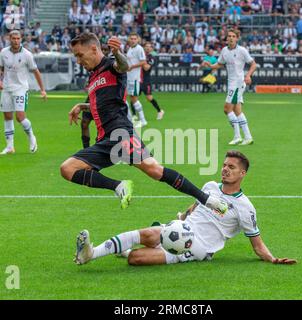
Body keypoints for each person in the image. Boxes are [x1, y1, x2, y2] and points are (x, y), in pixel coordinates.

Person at [60, 32, 226, 215]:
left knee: (154, 170)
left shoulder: (110, 65)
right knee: (69, 169)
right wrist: (82, 106)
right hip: (105, 140)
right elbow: (102, 103)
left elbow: (123, 66)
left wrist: (117, 52)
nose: (78, 61)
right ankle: (120, 186)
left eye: (79, 55)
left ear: (93, 49)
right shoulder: (92, 77)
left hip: (119, 133)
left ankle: (207, 200)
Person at [74, 150, 297, 267]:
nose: (225, 169)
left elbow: (257, 245)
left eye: (232, 167)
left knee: (136, 259)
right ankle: (90, 254)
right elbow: (194, 207)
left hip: (198, 248)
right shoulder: (210, 186)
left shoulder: (245, 208)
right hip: (182, 228)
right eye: (224, 165)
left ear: (242, 174)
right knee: (150, 234)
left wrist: (273, 259)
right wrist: (180, 217)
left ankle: (126, 252)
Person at [204, 29, 256, 146]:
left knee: (227, 109)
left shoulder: (242, 50)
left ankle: (237, 136)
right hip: (231, 83)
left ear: (237, 38)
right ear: (226, 38)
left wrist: (248, 75)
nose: (231, 38)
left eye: (233, 36)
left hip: (238, 83)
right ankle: (248, 137)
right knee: (237, 111)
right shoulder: (224, 50)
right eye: (229, 36)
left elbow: (253, 64)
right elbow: (220, 63)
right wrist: (211, 65)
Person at [0, 30, 47, 155]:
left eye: (18, 38)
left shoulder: (27, 54)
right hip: (6, 88)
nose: (16, 41)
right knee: (7, 116)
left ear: (21, 39)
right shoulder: (3, 52)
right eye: (13, 38)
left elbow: (36, 72)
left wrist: (42, 89)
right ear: (9, 39)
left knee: (20, 117)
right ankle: (10, 147)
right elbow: (1, 69)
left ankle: (32, 137)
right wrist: (0, 81)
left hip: (21, 88)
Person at [126, 32, 147, 127]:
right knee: (126, 98)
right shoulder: (130, 49)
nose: (133, 40)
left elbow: (143, 62)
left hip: (134, 78)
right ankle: (130, 119)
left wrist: (132, 67)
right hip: (129, 77)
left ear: (138, 40)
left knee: (134, 99)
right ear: (129, 40)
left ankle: (143, 120)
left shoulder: (139, 49)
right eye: (131, 38)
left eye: (135, 38)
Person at [141, 42, 164, 120]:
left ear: (151, 49)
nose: (147, 48)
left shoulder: (151, 58)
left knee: (149, 97)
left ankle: (160, 111)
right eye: (146, 46)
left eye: (149, 47)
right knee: (133, 97)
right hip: (137, 79)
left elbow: (146, 68)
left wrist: (141, 61)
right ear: (143, 48)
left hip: (146, 80)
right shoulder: (140, 55)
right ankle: (134, 116)